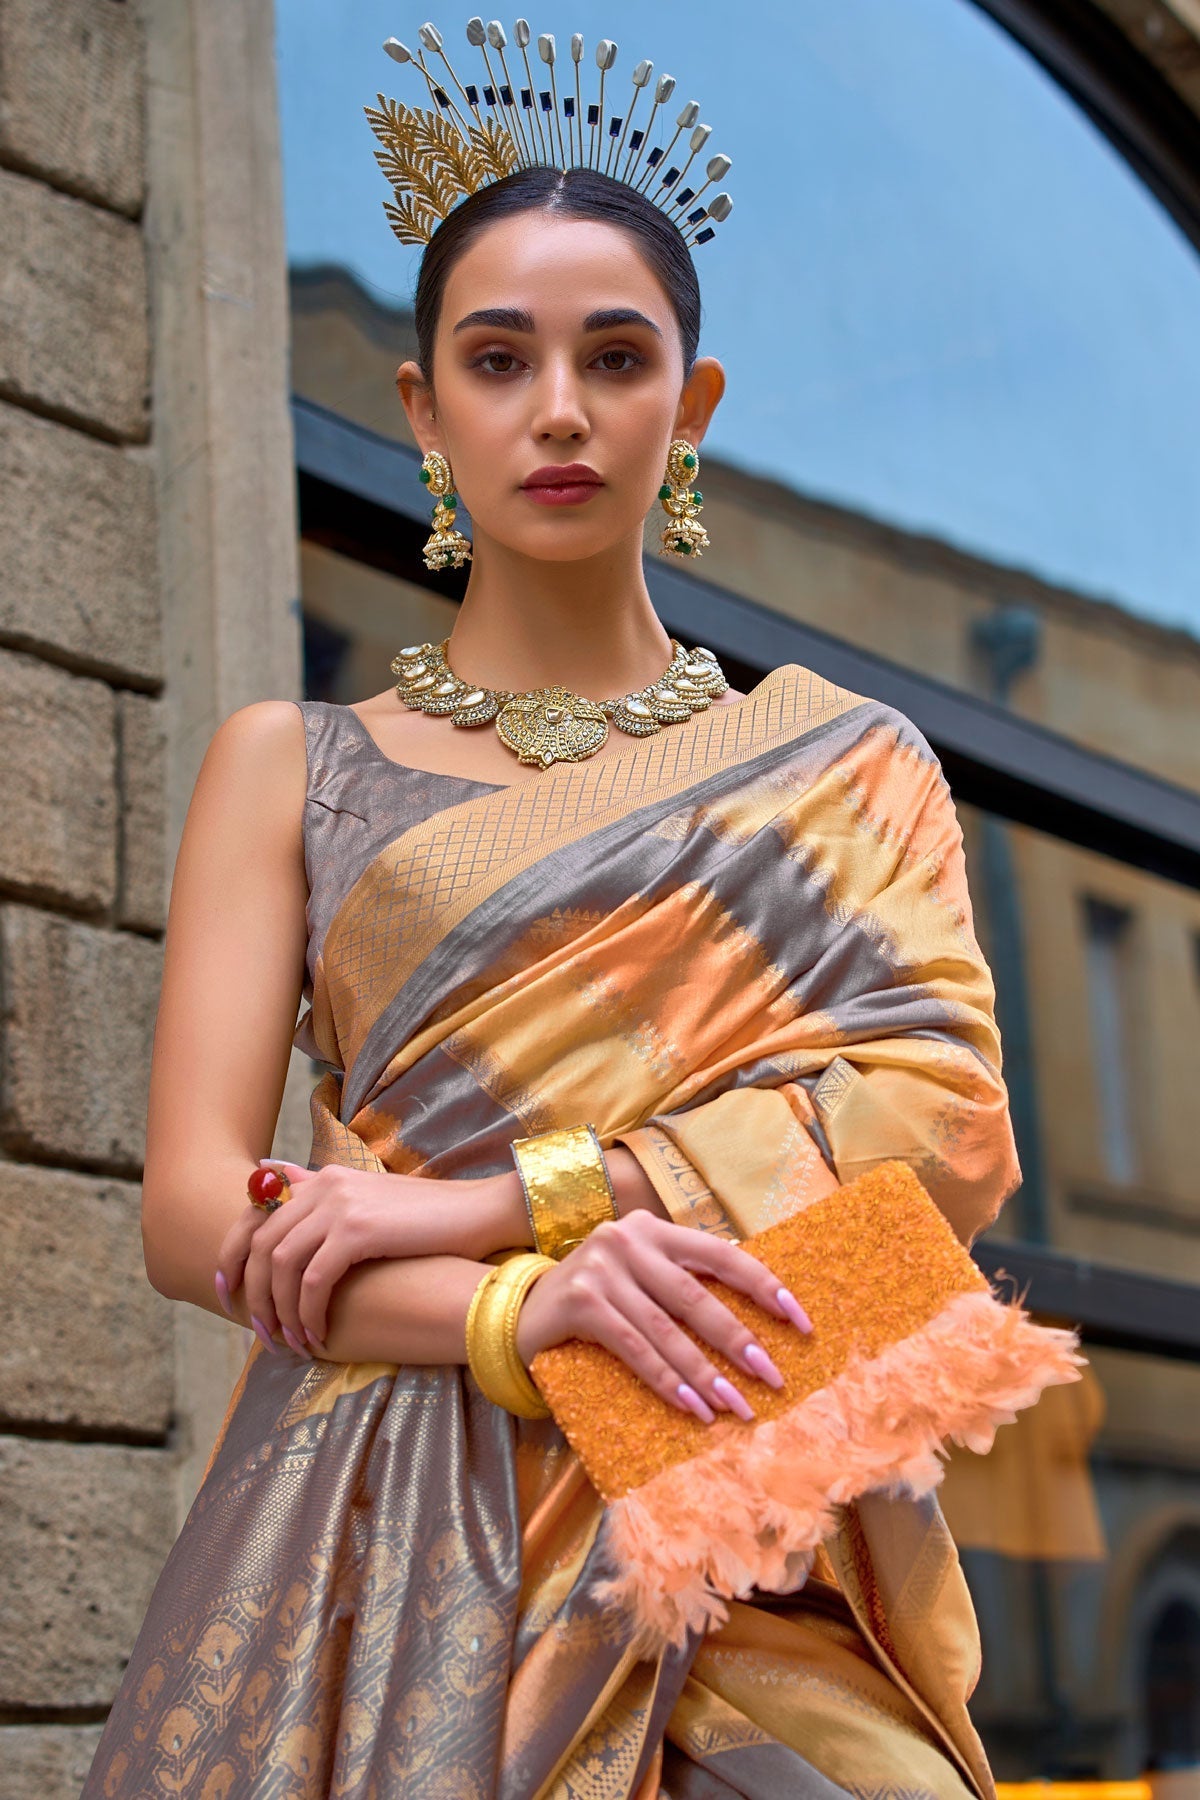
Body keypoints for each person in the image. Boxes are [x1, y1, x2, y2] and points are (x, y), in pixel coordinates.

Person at [83, 24, 1021, 1799]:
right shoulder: (293, 766)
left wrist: (517, 1199)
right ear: (423, 408)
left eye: (617, 357)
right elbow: (194, 1212)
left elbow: (947, 1135)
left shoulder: (842, 767)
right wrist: (522, 1311)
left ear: (695, 404)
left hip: (734, 1496)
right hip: (376, 1541)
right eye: (500, 359)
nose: (562, 408)